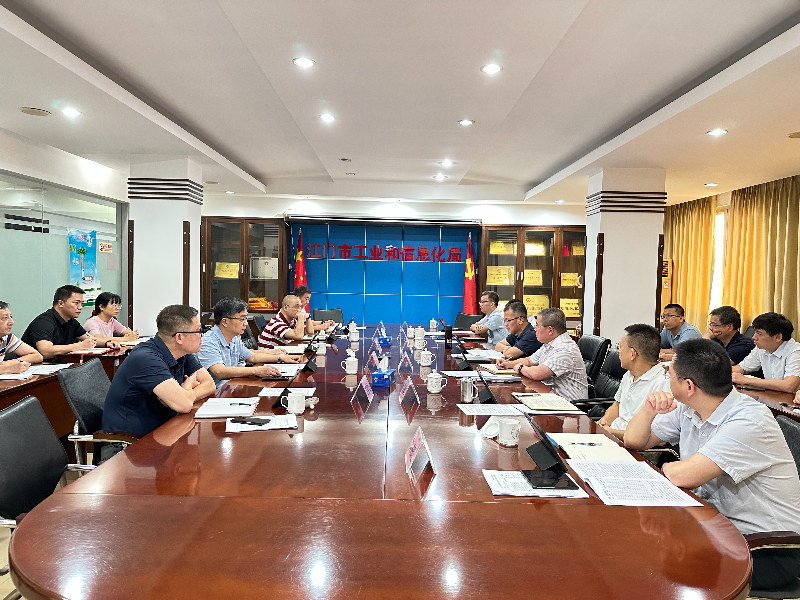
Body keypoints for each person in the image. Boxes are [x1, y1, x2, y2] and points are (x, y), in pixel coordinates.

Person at [624, 339, 800, 590]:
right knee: (641, 551)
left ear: (688, 386)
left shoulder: (749, 420)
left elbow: (684, 476)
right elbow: (634, 441)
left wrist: (669, 468)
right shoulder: (689, 407)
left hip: (765, 548)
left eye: (668, 375)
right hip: (716, 527)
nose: (666, 380)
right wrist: (649, 409)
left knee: (657, 573)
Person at [102, 304, 216, 441]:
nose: (202, 335)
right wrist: (185, 390)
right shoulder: (146, 358)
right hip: (128, 443)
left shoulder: (182, 353)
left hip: (163, 433)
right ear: (179, 338)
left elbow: (210, 384)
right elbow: (184, 405)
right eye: (198, 331)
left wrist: (184, 393)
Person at [198, 296, 301, 388]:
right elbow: (219, 372)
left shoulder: (233, 337)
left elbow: (252, 356)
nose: (246, 323)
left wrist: (281, 358)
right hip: (216, 394)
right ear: (225, 321)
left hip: (231, 387)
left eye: (246, 318)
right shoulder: (208, 341)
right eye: (242, 319)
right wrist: (256, 371)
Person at [498, 308, 587, 401]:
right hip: (550, 395)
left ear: (550, 330)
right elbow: (529, 360)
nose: (535, 329)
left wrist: (520, 367)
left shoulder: (566, 348)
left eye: (537, 325)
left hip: (569, 404)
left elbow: (537, 374)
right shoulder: (549, 344)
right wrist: (508, 364)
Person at [599, 324, 670, 440]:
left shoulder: (663, 384)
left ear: (632, 354)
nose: (618, 351)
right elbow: (617, 405)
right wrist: (605, 421)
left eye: (620, 347)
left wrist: (612, 432)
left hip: (634, 446)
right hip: (612, 436)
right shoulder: (629, 374)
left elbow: (657, 438)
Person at [21, 285, 119, 360]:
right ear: (60, 303)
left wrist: (107, 343)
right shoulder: (44, 322)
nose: (80, 307)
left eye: (82, 303)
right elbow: (45, 351)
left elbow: (90, 339)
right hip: (35, 369)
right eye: (76, 303)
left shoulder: (71, 321)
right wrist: (79, 346)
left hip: (61, 365)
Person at [733, 312, 800, 394]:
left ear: (778, 337)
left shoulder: (795, 352)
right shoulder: (761, 348)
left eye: (759, 334)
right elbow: (741, 368)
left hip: (792, 399)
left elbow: (789, 386)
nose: (754, 337)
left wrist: (746, 380)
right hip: (772, 396)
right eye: (755, 332)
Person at [0, 300, 43, 374]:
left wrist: (13, 363)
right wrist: (6, 368)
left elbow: (37, 356)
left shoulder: (6, 337)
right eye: (5, 318)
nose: (11, 322)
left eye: (11, 317)